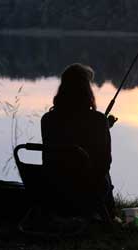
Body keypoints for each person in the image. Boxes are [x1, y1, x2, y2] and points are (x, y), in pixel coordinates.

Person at [41, 63, 115, 219]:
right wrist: (103, 127)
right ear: (87, 90)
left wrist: (103, 127)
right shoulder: (98, 120)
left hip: (54, 185)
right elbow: (105, 162)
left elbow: (68, 135)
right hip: (86, 186)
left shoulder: (48, 119)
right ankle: (107, 213)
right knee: (104, 172)